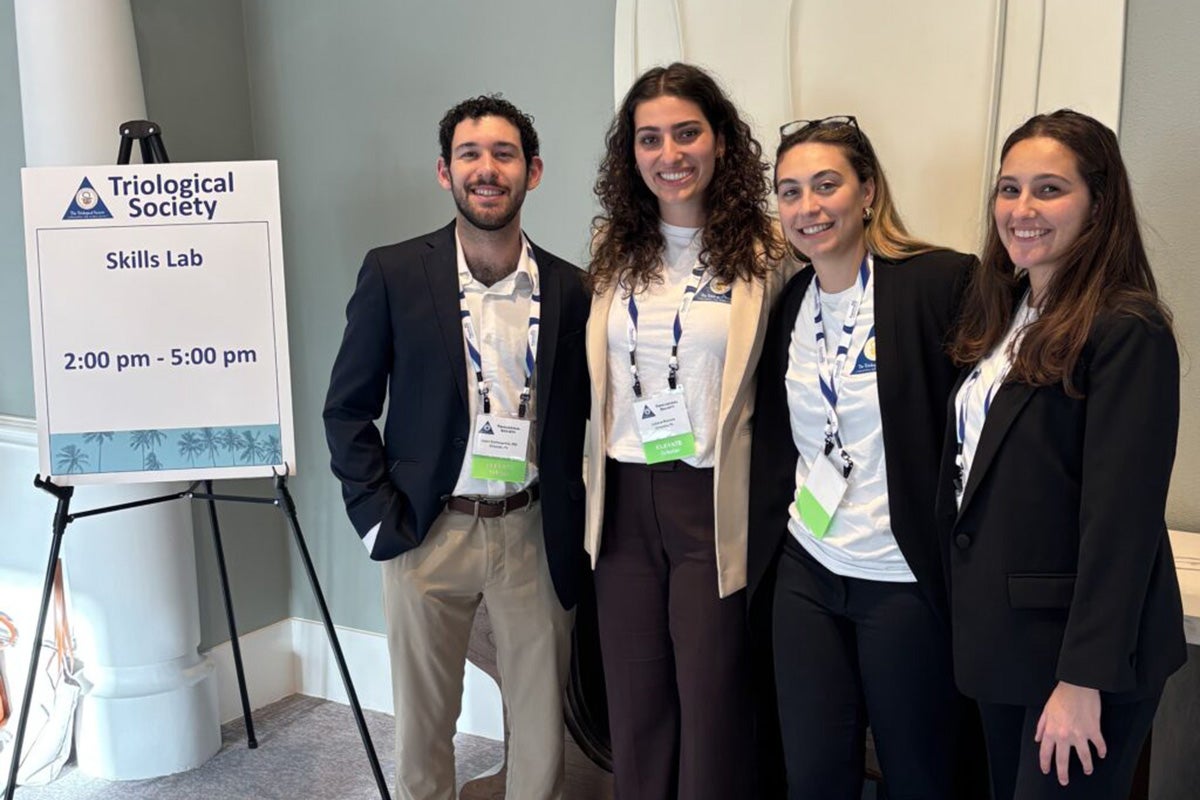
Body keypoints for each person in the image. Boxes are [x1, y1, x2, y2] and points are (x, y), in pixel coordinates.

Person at [323, 95, 589, 800]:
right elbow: (347, 408)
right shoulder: (394, 273)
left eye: (504, 154)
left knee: (539, 734)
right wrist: (377, 516)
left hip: (532, 530)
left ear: (532, 171)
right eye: (470, 154)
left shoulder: (572, 288)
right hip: (426, 526)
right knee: (422, 729)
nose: (487, 169)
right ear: (445, 172)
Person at [942, 109, 1186, 800]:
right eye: (1009, 188)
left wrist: (1083, 681)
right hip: (1006, 641)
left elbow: (1121, 523)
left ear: (1099, 204)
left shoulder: (1126, 329)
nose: (1021, 209)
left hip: (1080, 660)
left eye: (1049, 189)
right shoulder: (1008, 312)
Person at [747, 115, 986, 799]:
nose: (807, 207)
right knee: (815, 774)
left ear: (869, 191)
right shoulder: (792, 299)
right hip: (808, 571)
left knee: (919, 773)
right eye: (789, 192)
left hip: (902, 579)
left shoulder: (940, 283)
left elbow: (988, 428)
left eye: (827, 185)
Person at [584, 62, 789, 799]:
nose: (669, 154)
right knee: (635, 702)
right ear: (630, 155)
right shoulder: (613, 249)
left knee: (713, 702)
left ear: (721, 143)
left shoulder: (769, 253)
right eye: (649, 139)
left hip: (712, 500)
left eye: (686, 133)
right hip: (621, 501)